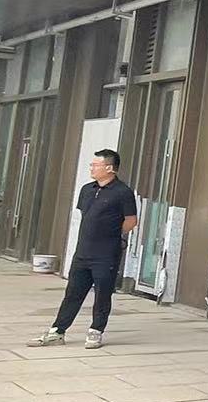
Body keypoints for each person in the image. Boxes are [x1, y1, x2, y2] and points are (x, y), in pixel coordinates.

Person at [29, 148, 136, 349]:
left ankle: (96, 330)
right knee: (73, 293)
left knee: (102, 294)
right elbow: (86, 216)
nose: (92, 168)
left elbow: (131, 221)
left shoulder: (123, 192)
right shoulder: (87, 189)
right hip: (83, 252)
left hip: (106, 254)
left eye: (96, 165)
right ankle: (57, 331)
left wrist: (111, 233)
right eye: (92, 164)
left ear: (109, 168)